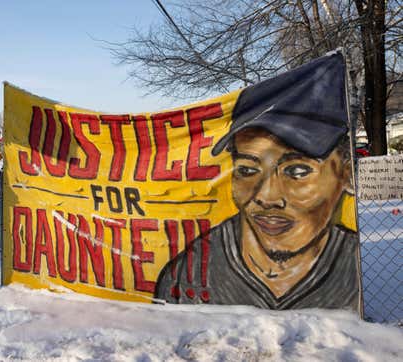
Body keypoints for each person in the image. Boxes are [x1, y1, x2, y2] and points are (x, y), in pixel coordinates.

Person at [154, 53, 362, 312]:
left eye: (297, 171)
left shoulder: (349, 268)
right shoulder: (191, 270)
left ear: (344, 172)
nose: (267, 196)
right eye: (247, 170)